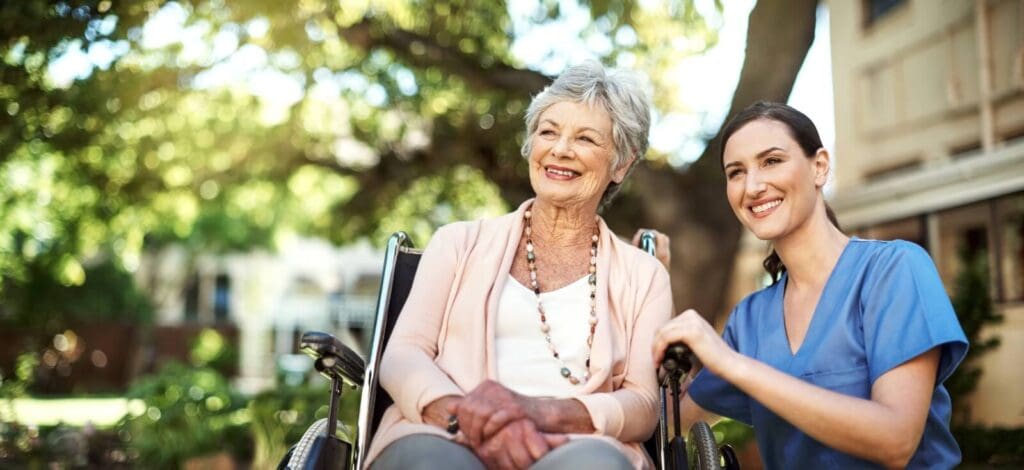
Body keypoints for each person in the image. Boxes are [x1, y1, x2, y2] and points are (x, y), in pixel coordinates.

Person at [366, 61, 672, 470]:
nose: (560, 149)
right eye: (548, 131)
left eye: (585, 138)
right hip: (447, 434)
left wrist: (537, 414)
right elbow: (403, 355)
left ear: (621, 164)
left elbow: (642, 403)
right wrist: (471, 418)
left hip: (578, 446)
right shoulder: (458, 243)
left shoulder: (644, 275)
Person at [650, 101, 969, 469]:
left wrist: (733, 365)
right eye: (736, 172)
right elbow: (670, 418)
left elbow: (895, 440)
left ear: (819, 166)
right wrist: (651, 283)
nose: (752, 186)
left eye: (771, 161)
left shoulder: (893, 270)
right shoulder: (751, 320)